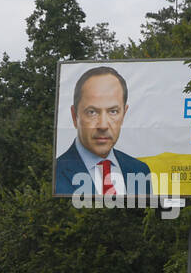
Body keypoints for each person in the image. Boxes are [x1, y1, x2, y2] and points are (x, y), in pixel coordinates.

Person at [54, 66, 152, 197]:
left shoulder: (140, 171)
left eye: (113, 111)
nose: (103, 125)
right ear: (74, 116)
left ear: (124, 114)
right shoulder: (55, 172)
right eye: (92, 112)